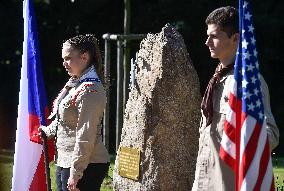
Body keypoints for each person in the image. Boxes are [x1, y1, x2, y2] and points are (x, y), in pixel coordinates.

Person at [191, 6, 279, 191]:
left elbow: (270, 134)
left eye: (214, 36)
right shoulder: (217, 78)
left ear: (236, 38)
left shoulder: (247, 84)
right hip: (205, 182)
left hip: (230, 184)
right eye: (207, 36)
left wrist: (244, 137)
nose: (207, 42)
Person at [40, 34, 110, 191]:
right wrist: (47, 131)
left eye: (68, 58)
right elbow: (63, 119)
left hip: (86, 165)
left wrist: (76, 173)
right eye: (63, 59)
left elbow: (86, 134)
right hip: (66, 160)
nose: (64, 63)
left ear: (84, 57)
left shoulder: (90, 89)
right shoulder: (76, 84)